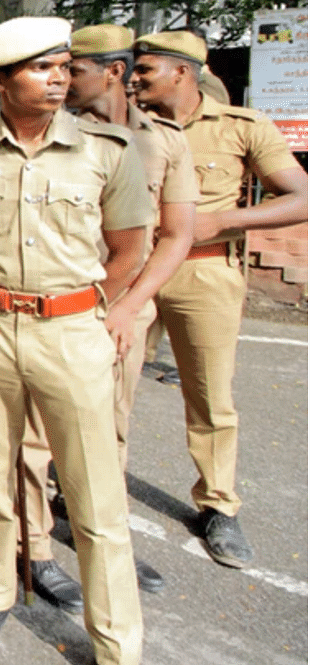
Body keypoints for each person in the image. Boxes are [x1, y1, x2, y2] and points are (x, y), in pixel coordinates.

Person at [0, 17, 149, 664]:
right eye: (40, 67)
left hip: (69, 331)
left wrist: (80, 307)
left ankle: (116, 642)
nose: (58, 76)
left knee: (92, 493)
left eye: (62, 65)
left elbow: (127, 250)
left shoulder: (107, 151)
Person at [17, 24, 200, 615]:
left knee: (108, 431)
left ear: (113, 73)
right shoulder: (49, 136)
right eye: (57, 68)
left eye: (75, 68)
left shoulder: (163, 142)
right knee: (33, 439)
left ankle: (95, 530)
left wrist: (125, 306)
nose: (62, 79)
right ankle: (35, 548)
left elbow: (172, 237)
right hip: (52, 308)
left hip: (121, 312)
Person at [130, 30, 308, 568]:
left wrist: (221, 221)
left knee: (210, 397)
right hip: (131, 274)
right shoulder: (122, 126)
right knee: (105, 389)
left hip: (201, 276)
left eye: (146, 70)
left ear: (182, 72)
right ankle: (89, 492)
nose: (134, 78)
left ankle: (217, 506)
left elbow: (300, 198)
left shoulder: (242, 127)